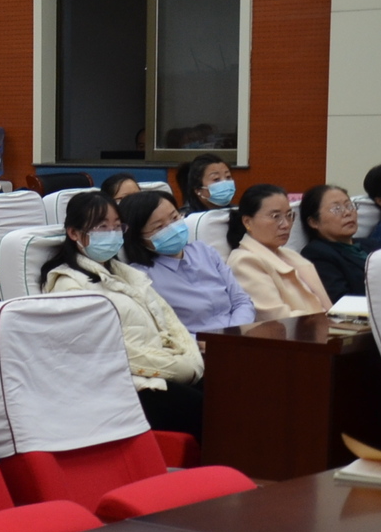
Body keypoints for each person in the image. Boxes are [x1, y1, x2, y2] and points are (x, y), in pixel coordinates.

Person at [43, 192, 204, 437]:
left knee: (233, 391)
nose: (112, 233)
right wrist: (177, 368)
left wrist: (190, 359)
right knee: (207, 410)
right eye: (101, 227)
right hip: (128, 384)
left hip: (166, 368)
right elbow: (103, 349)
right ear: (74, 233)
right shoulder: (68, 284)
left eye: (117, 226)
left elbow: (171, 323)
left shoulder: (128, 274)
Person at [122, 190, 255, 333]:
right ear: (138, 237)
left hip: (238, 336)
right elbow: (160, 332)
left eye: (174, 217)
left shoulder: (204, 251)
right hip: (195, 345)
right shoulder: (141, 277)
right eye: (159, 227)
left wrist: (233, 333)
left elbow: (241, 301)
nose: (172, 227)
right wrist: (203, 342)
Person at [225, 185, 329, 321]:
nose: (286, 224)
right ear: (247, 221)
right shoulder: (244, 262)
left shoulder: (290, 254)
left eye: (289, 215)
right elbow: (276, 319)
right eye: (275, 216)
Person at [298, 184, 368, 299]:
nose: (347, 212)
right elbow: (340, 299)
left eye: (349, 206)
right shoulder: (316, 254)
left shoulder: (371, 244)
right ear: (314, 222)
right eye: (336, 209)